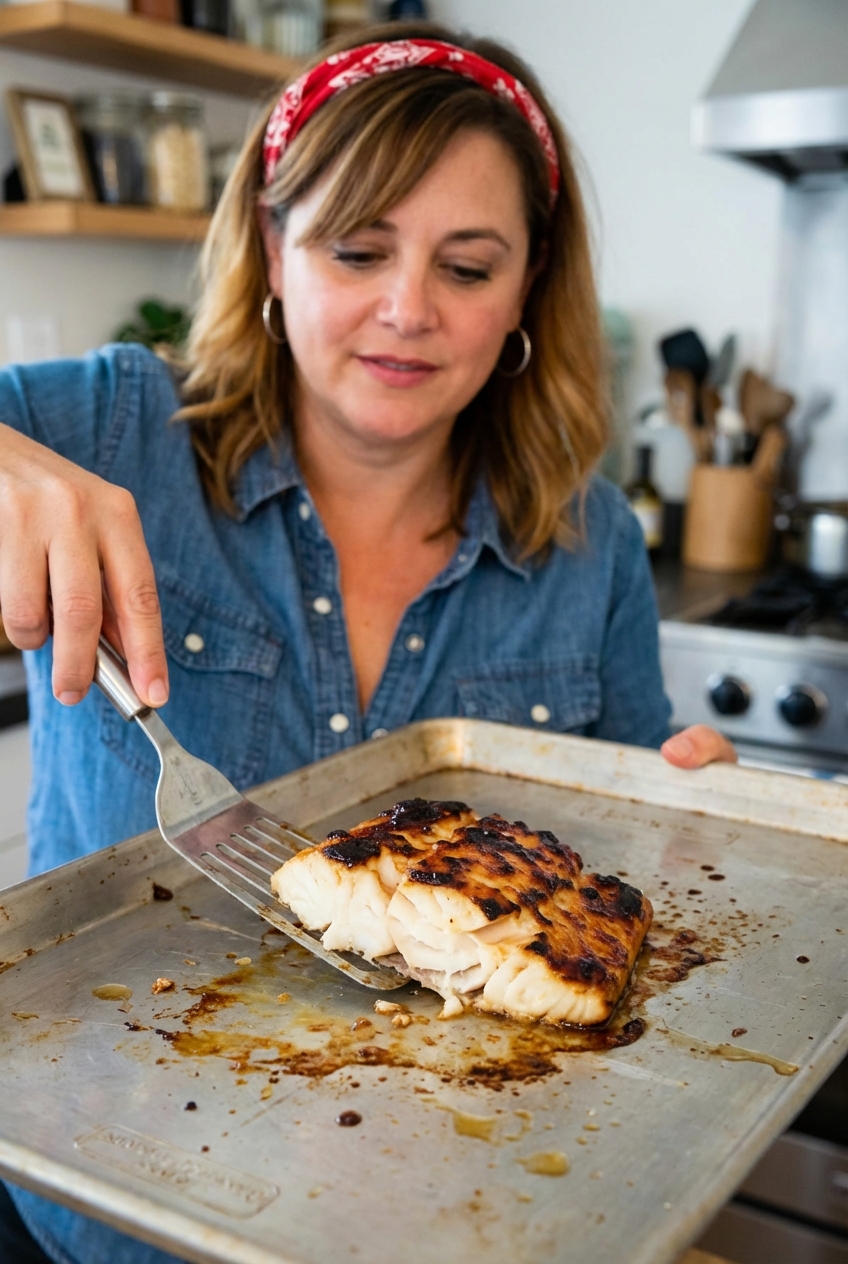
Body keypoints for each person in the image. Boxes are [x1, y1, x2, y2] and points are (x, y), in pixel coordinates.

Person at [0, 23, 735, 1264]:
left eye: (467, 265)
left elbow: (611, 836)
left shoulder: (589, 536)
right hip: (97, 1197)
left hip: (457, 1204)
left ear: (526, 289)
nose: (407, 311)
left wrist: (682, 813)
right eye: (356, 249)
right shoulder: (107, 426)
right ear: (274, 250)